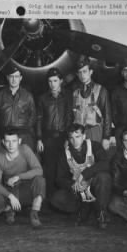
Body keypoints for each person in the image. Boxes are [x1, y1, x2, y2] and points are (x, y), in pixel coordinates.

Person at [51, 123, 112, 229]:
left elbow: (105, 163)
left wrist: (84, 175)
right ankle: (83, 208)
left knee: (104, 177)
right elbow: (59, 179)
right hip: (79, 189)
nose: (75, 141)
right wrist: (73, 185)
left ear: (84, 136)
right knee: (56, 198)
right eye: (71, 138)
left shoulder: (95, 146)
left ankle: (101, 212)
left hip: (94, 186)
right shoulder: (64, 154)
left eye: (78, 137)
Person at [0, 128, 45, 228]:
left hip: (25, 187)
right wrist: (10, 196)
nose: (11, 145)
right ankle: (9, 209)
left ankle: (34, 213)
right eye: (8, 141)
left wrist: (19, 176)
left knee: (40, 180)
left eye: (14, 141)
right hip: (10, 189)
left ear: (19, 141)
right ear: (3, 142)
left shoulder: (25, 150)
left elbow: (39, 170)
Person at [36, 67, 73, 197]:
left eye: (55, 80)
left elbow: (69, 117)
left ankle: (64, 197)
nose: (52, 84)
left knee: (64, 168)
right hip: (48, 138)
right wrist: (39, 139)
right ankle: (50, 198)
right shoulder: (42, 98)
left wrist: (69, 138)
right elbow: (39, 119)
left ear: (61, 81)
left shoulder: (68, 96)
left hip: (64, 137)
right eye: (50, 81)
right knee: (49, 169)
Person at [0, 64, 37, 151]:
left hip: (23, 137)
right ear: (7, 78)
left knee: (24, 163)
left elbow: (32, 116)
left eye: (16, 76)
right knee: (5, 163)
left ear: (20, 78)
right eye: (11, 76)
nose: (14, 79)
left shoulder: (28, 96)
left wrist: (23, 131)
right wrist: (4, 130)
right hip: (5, 137)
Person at [72, 57, 111, 150]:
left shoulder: (100, 90)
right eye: (80, 72)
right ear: (77, 74)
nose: (82, 75)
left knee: (96, 159)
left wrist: (106, 137)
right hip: (78, 133)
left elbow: (107, 115)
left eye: (85, 71)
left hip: (94, 130)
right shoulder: (75, 93)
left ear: (91, 72)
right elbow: (71, 115)